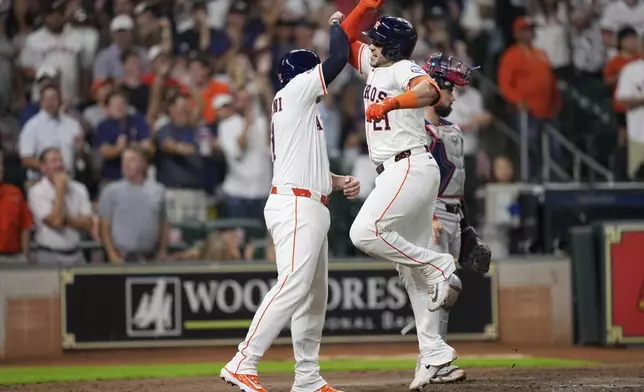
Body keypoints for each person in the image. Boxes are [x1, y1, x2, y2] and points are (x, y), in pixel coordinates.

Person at [219, 2, 383, 391]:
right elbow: (340, 56)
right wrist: (336, 25)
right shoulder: (295, 90)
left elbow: (302, 164)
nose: (318, 72)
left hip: (307, 199)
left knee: (313, 297)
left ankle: (307, 377)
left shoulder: (296, 107)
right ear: (302, 73)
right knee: (293, 285)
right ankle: (244, 359)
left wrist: (337, 180)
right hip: (296, 206)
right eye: (313, 68)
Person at [344, 14, 457, 384]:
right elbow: (345, 45)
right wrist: (358, 11)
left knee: (362, 234)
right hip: (403, 171)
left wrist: (392, 105)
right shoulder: (376, 65)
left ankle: (438, 264)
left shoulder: (401, 67)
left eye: (376, 41)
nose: (370, 44)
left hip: (407, 166)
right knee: (410, 273)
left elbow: (430, 92)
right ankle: (434, 352)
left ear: (390, 47)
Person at [399, 53, 481, 387]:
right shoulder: (417, 129)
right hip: (429, 215)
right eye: (448, 90)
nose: (453, 96)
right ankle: (433, 360)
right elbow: (416, 177)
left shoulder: (451, 128)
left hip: (452, 214)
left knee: (443, 297)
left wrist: (465, 225)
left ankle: (434, 360)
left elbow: (456, 182)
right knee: (439, 289)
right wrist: (428, 212)